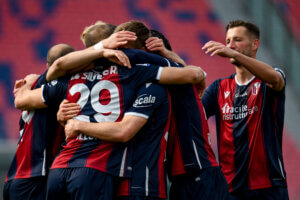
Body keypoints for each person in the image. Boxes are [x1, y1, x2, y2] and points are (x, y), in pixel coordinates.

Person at [14, 21, 206, 200]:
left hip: (58, 170)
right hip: (96, 170)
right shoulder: (133, 73)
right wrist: (162, 56)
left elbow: (28, 93)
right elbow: (196, 74)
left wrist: (29, 89)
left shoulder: (69, 76)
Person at [202, 20, 288, 200]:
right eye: (227, 41)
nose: (230, 46)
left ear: (255, 44)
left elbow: (275, 78)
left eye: (237, 40)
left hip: (269, 187)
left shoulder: (268, 79)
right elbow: (193, 116)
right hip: (230, 189)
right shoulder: (218, 88)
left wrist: (234, 54)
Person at [3, 44, 75, 200]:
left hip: (15, 175)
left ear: (47, 65)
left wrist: (29, 82)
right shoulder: (64, 88)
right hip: (35, 176)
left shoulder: (33, 86)